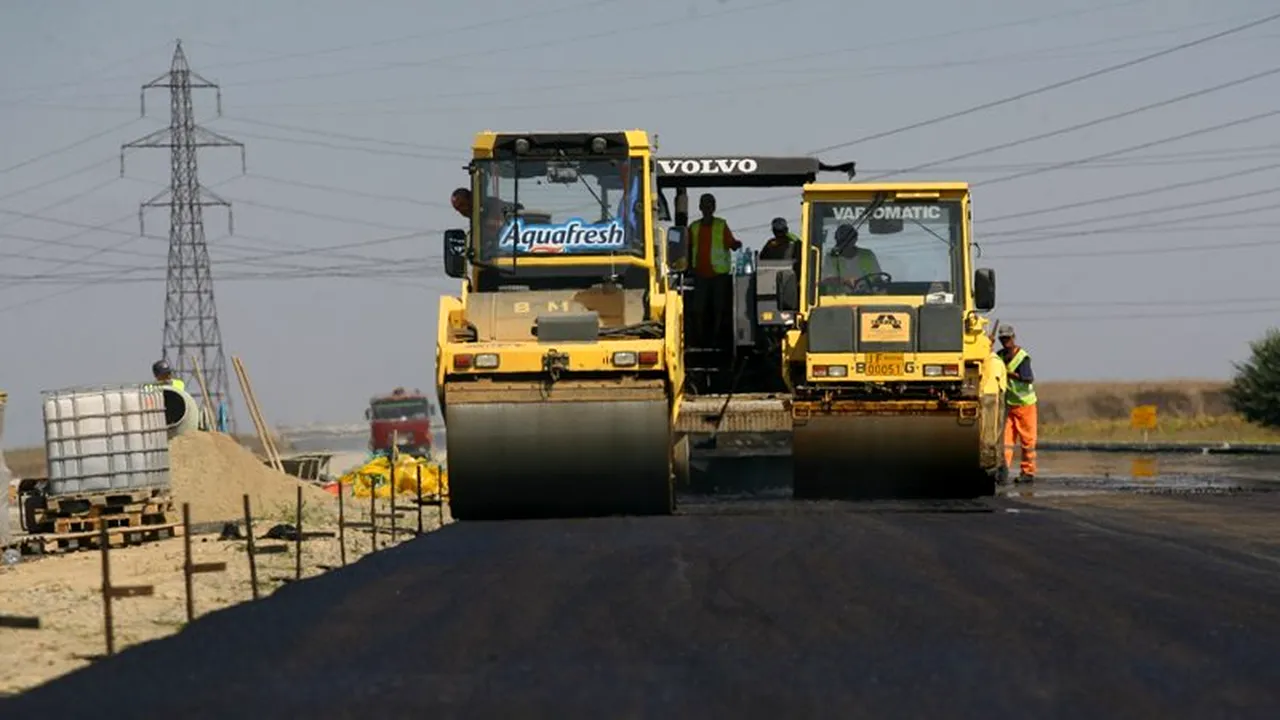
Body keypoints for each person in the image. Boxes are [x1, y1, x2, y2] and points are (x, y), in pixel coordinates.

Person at [686, 193, 742, 348]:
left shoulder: (721, 225)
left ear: (714, 207)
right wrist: (689, 268)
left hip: (719, 275)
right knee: (698, 309)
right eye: (705, 204)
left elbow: (731, 243)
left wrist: (736, 244)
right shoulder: (694, 227)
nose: (708, 207)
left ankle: (716, 339)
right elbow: (688, 248)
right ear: (700, 207)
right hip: (700, 275)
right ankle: (699, 339)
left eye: (710, 204)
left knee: (719, 308)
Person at [996, 324, 1037, 484]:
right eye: (1003, 339)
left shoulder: (1022, 357)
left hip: (1026, 405)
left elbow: (1028, 378)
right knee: (1006, 442)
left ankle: (1028, 473)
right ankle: (1003, 471)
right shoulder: (999, 356)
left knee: (1028, 441)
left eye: (1008, 338)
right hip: (1010, 405)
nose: (1005, 341)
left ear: (1013, 338)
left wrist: (1009, 374)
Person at [820, 223, 883, 292]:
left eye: (848, 239)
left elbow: (877, 279)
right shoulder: (831, 258)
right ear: (836, 239)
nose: (845, 243)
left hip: (866, 298)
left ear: (855, 239)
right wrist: (845, 282)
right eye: (843, 239)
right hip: (839, 300)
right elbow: (827, 280)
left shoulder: (867, 255)